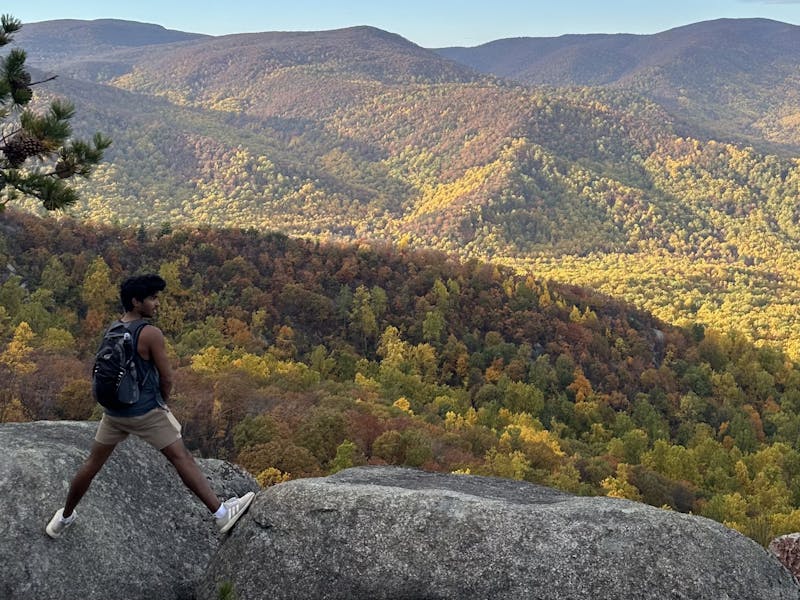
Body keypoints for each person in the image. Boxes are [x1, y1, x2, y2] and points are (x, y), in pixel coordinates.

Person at [46, 273, 254, 538]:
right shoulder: (150, 333)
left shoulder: (114, 329)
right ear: (136, 302)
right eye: (152, 298)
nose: (157, 304)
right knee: (182, 458)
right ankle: (222, 514)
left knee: (92, 464)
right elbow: (167, 377)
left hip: (113, 413)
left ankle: (63, 519)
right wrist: (162, 404)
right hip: (144, 411)